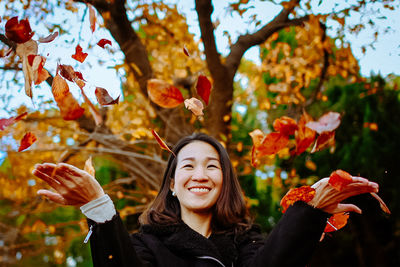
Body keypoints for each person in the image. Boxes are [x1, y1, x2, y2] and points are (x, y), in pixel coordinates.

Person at [32, 133, 379, 267]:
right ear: (171, 184)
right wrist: (98, 208)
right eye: (188, 165)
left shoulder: (248, 245)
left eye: (212, 166)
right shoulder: (143, 246)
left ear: (223, 182)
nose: (200, 174)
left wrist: (310, 209)